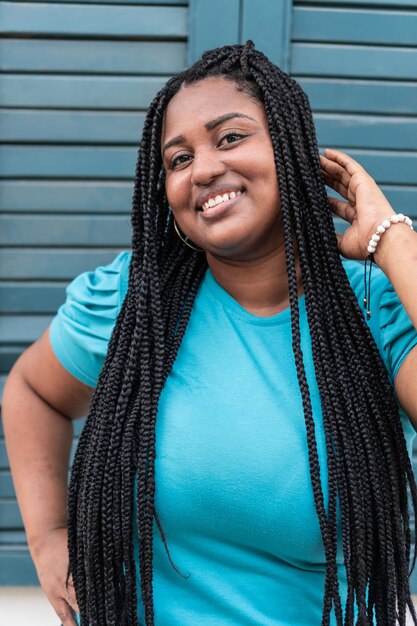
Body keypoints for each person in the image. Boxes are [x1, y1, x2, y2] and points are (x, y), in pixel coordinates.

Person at [3, 41, 417, 626]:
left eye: (230, 137)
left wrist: (391, 237)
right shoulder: (136, 301)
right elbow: (33, 391)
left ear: (293, 149)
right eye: (177, 159)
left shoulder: (375, 307)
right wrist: (47, 537)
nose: (202, 169)